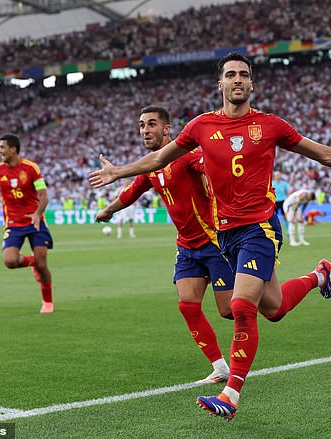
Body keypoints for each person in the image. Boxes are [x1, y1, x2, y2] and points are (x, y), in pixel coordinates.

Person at [89, 52, 331, 420]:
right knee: (273, 309)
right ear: (221, 84)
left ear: (252, 84)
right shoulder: (200, 127)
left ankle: (230, 394)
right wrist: (119, 173)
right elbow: (157, 160)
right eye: (230, 75)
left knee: (241, 307)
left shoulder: (271, 125)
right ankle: (319, 274)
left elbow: (321, 153)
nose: (237, 80)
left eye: (244, 74)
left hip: (260, 227)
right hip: (225, 234)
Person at [96, 106, 236, 383]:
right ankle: (220, 367)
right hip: (187, 247)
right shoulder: (150, 165)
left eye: (151, 124)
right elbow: (132, 191)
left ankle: (299, 284)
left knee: (231, 311)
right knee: (187, 305)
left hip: (214, 242)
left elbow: (210, 166)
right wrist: (109, 210)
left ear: (167, 128)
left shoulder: (186, 155)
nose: (145, 130)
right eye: (141, 125)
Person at [0, 134, 54, 314]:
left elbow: (44, 195)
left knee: (43, 266)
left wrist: (37, 214)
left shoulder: (31, 168)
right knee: (10, 261)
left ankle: (48, 302)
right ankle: (32, 262)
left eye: (2, 147)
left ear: (13, 149)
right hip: (13, 223)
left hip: (35, 221)